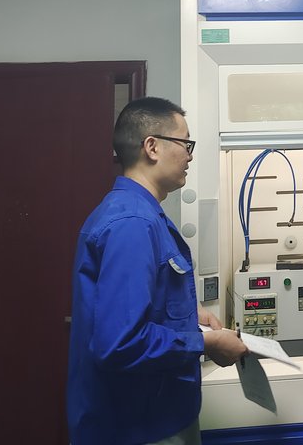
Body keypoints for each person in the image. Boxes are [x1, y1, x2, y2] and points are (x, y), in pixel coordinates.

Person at [67, 97, 247, 445]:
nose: (190, 156)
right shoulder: (133, 223)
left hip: (149, 417)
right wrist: (205, 342)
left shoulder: (139, 214)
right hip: (138, 427)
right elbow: (120, 342)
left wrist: (188, 313)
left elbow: (137, 306)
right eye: (185, 144)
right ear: (152, 147)